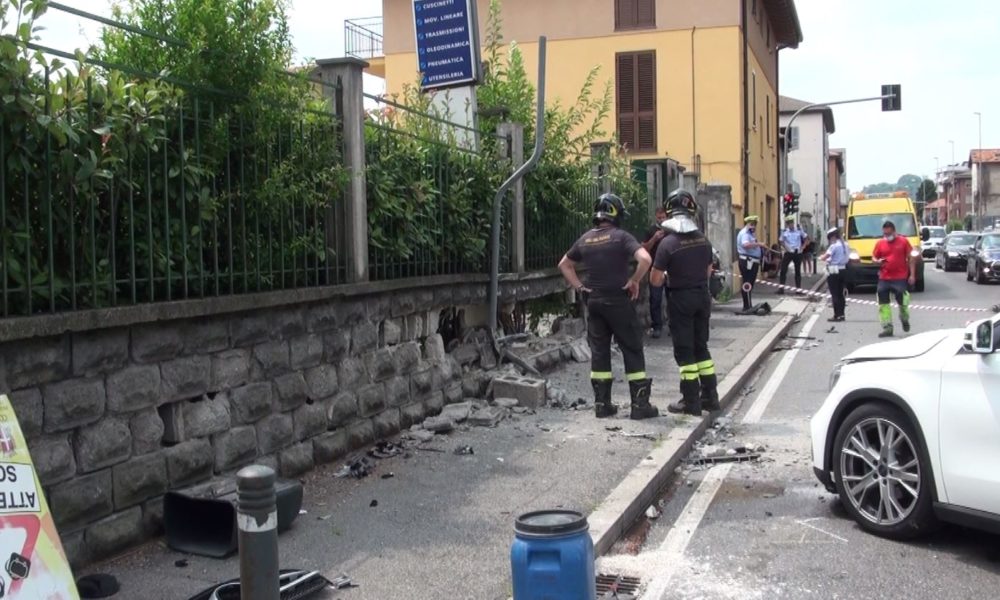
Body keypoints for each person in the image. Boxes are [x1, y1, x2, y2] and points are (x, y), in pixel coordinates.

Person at [558, 193, 656, 420]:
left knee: (600, 351)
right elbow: (646, 260)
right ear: (616, 214)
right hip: (619, 301)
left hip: (595, 302)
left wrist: (580, 288)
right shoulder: (621, 237)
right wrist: (634, 281)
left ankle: (602, 404)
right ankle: (639, 405)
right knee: (631, 348)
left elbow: (564, 265)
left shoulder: (585, 239)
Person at [650, 189, 720, 416]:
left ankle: (690, 401)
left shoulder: (668, 244)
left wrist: (672, 275)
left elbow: (655, 279)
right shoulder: (703, 240)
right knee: (702, 347)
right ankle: (710, 396)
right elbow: (709, 270)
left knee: (685, 351)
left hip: (680, 299)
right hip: (702, 296)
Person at [871, 220, 916, 338]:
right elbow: (874, 257)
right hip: (884, 277)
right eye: (885, 234)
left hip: (900, 277)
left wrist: (912, 275)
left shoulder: (903, 242)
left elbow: (911, 258)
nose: (887, 236)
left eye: (889, 234)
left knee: (903, 300)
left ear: (894, 231)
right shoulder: (880, 243)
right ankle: (887, 327)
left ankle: (904, 318)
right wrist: (877, 261)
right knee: (883, 302)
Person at [642, 206, 669, 338]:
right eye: (659, 218)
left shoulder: (672, 230)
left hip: (670, 270)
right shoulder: (651, 230)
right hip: (655, 269)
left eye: (663, 217)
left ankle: (673, 325)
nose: (661, 220)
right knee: (655, 299)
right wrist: (654, 239)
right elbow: (644, 249)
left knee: (673, 298)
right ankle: (656, 326)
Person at [736, 215, 767, 312]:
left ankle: (748, 305)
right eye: (752, 224)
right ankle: (747, 306)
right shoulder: (745, 233)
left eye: (755, 225)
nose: (753, 227)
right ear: (747, 224)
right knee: (747, 283)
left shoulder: (750, 233)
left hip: (751, 261)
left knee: (749, 283)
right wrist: (759, 244)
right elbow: (746, 245)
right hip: (748, 261)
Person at [820, 227, 849, 322]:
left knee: (834, 293)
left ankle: (836, 315)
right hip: (843, 270)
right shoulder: (846, 245)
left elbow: (825, 257)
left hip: (833, 270)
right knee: (841, 293)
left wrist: (821, 257)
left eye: (830, 238)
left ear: (833, 236)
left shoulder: (834, 246)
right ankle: (842, 314)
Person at [778, 217, 807, 293]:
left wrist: (803, 247)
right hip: (788, 252)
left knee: (797, 271)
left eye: (791, 223)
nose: (791, 224)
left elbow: (807, 239)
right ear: (787, 224)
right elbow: (781, 241)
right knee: (783, 270)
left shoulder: (799, 230)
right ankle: (781, 289)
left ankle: (798, 290)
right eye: (789, 223)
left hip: (797, 252)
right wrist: (785, 247)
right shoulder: (785, 232)